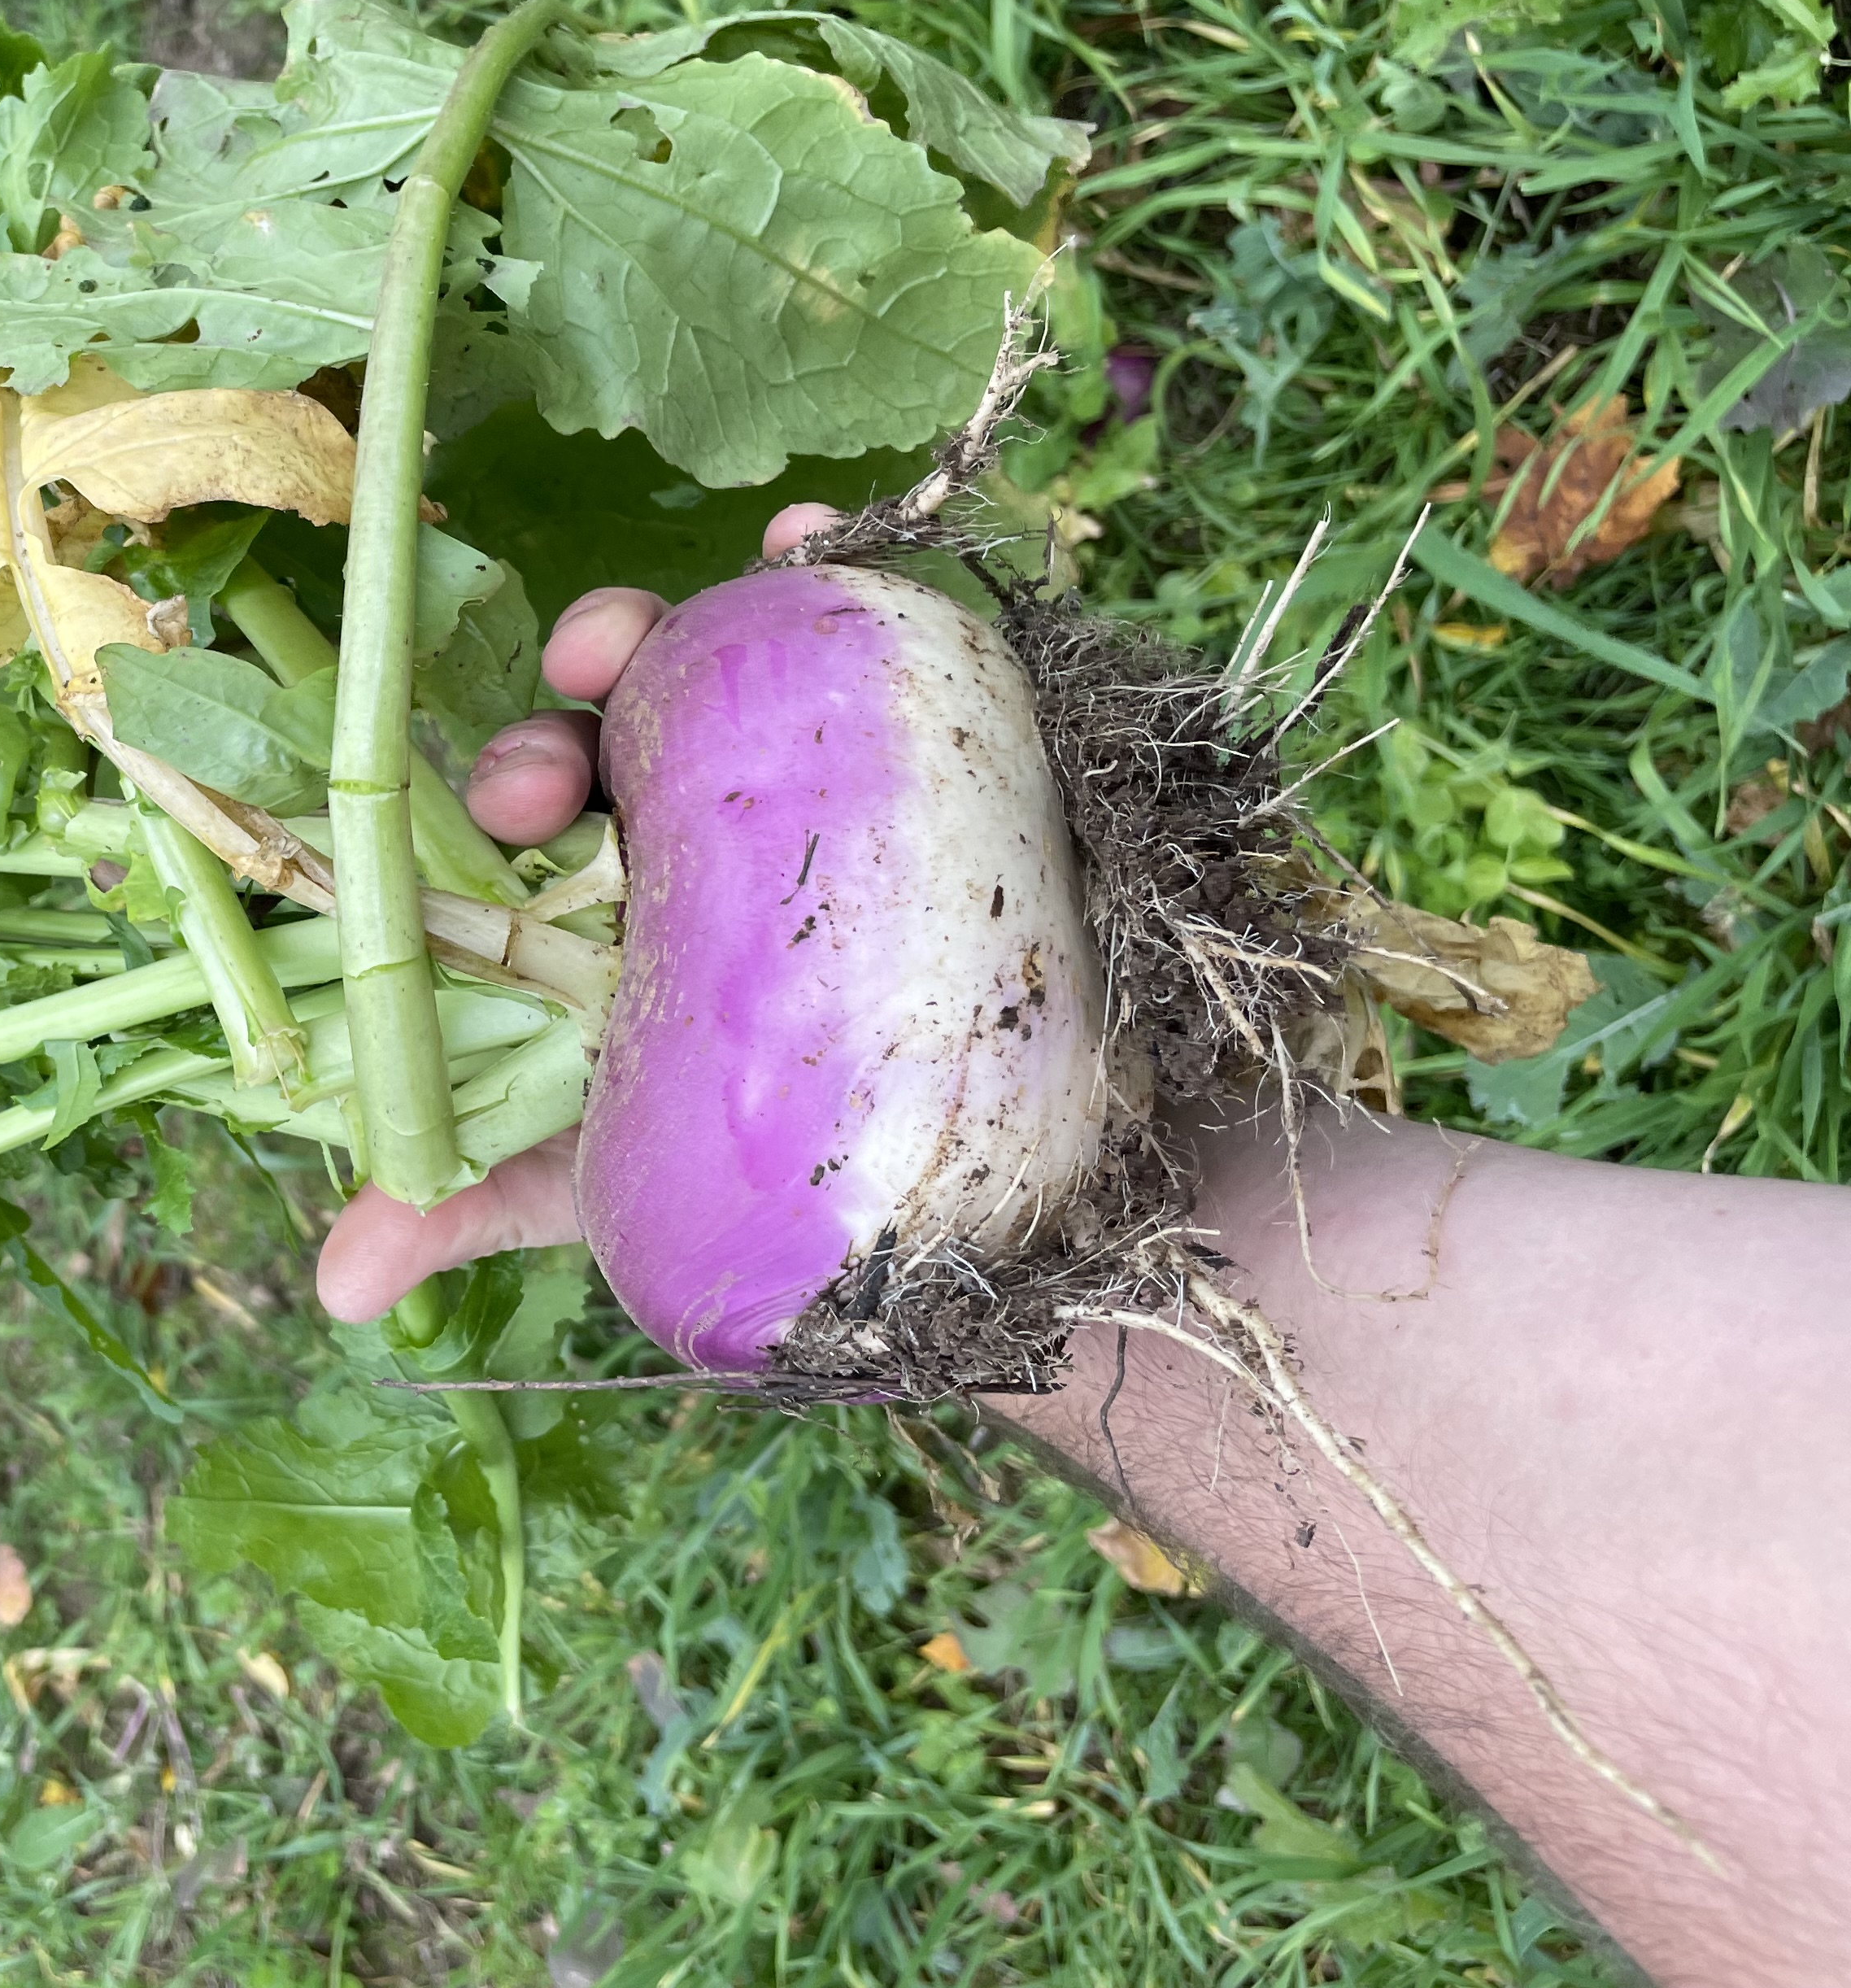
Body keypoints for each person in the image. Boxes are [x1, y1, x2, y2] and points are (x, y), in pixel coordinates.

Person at [313, 512, 1851, 1988]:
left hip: (856, 1143)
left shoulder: (741, 1250)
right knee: (737, 664)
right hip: (846, 1158)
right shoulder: (751, 1242)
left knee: (732, 670)